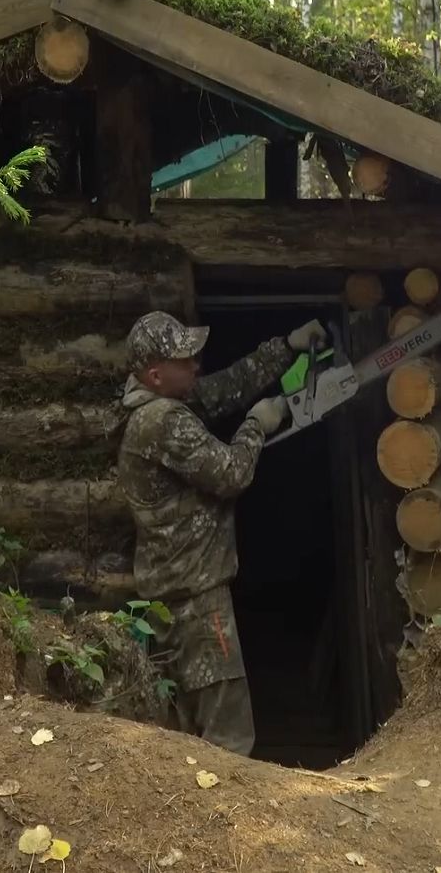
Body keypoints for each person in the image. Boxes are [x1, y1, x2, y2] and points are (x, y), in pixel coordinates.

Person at [115, 310, 327, 754]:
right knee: (227, 736)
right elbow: (231, 474)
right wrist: (256, 425)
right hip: (195, 598)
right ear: (155, 374)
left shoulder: (159, 404)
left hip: (175, 590)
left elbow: (224, 387)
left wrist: (286, 347)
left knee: (187, 730)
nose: (196, 364)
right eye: (185, 359)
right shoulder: (163, 422)